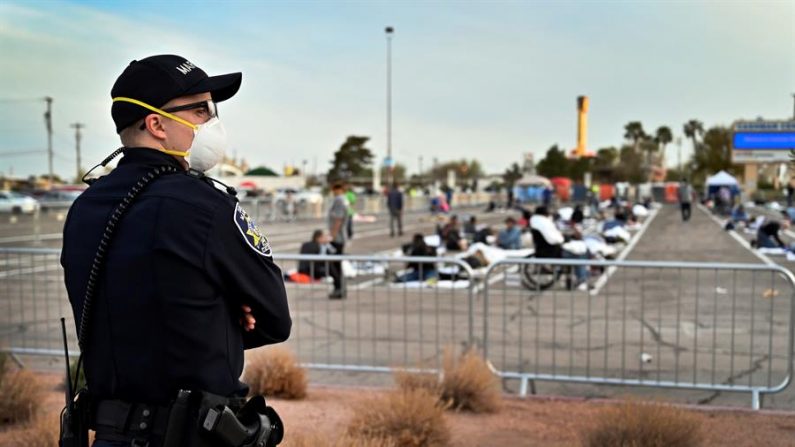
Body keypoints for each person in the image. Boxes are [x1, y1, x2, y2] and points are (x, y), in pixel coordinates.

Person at [60, 55, 291, 446]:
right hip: (191, 435)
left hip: (109, 435)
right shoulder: (205, 207)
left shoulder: (85, 208)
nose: (212, 121)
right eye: (201, 109)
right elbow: (273, 318)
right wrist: (225, 314)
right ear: (156, 124)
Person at [530, 206, 589, 289]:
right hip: (553, 251)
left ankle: (577, 279)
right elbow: (554, 239)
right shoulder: (544, 223)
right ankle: (582, 280)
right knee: (580, 255)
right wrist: (564, 239)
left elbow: (553, 236)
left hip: (546, 248)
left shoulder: (537, 223)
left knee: (578, 250)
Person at [327, 182, 348, 298]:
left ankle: (339, 288)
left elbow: (338, 219)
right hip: (339, 237)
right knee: (337, 264)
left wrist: (332, 236)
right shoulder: (343, 199)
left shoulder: (339, 200)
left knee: (334, 265)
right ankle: (340, 288)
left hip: (337, 238)